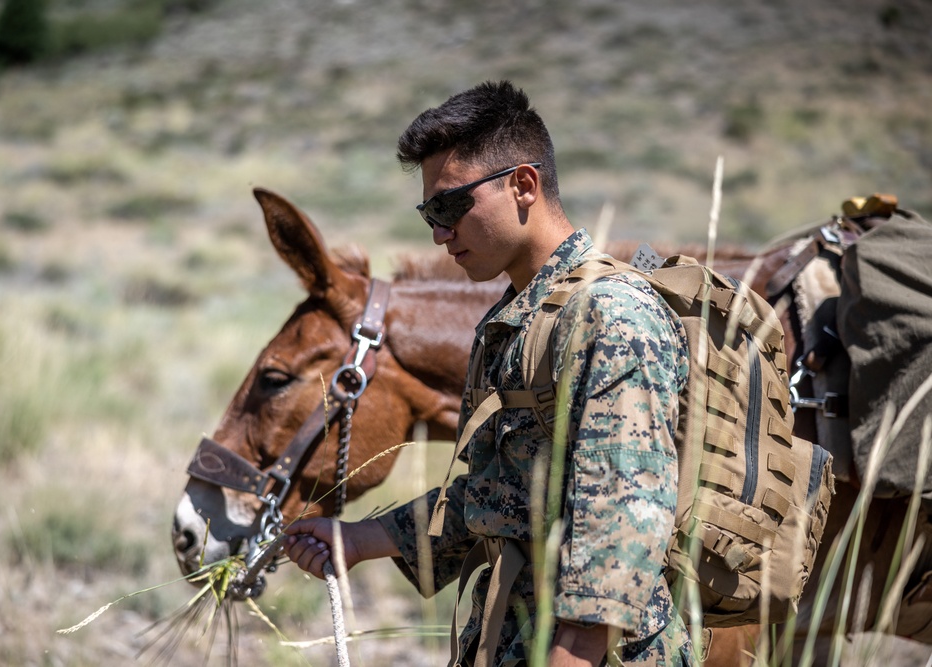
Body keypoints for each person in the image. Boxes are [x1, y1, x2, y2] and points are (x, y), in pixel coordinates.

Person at [284, 80, 694, 667]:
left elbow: (621, 532)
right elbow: (494, 496)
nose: (438, 233)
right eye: (429, 212)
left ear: (523, 186)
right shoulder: (512, 320)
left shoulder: (611, 315)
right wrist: (357, 542)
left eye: (451, 207)